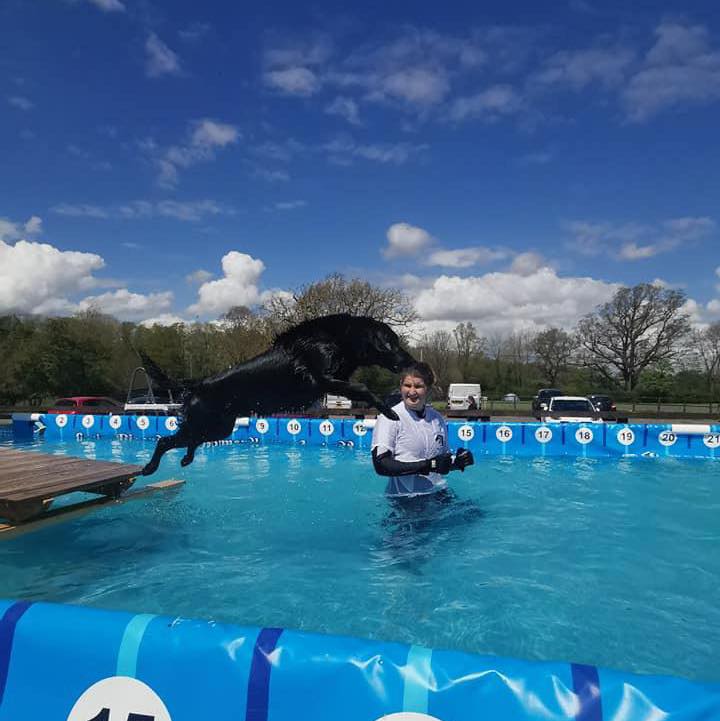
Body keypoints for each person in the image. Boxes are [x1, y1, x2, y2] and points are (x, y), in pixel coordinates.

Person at [371, 362, 474, 497]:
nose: (412, 392)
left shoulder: (437, 419)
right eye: (407, 385)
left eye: (418, 386)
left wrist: (458, 462)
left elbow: (440, 464)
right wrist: (428, 465)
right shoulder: (390, 417)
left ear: (429, 390)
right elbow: (381, 465)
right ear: (400, 387)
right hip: (405, 500)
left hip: (438, 494)